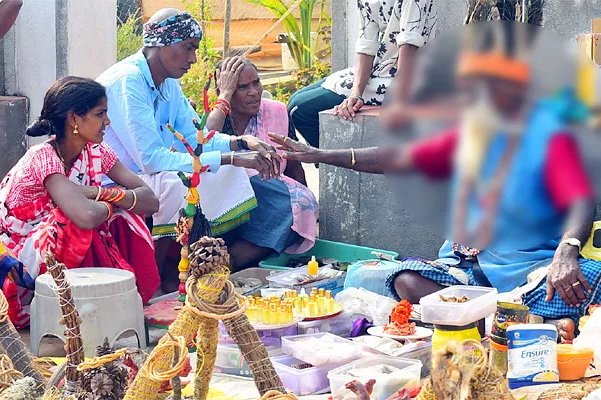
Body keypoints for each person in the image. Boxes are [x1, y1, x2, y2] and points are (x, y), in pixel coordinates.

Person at [268, 22, 601, 341]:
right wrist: (319, 154)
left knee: (588, 278)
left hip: (527, 268)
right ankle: (512, 325)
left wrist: (567, 252)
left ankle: (491, 321)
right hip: (463, 271)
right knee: (400, 279)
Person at [96, 8, 283, 291]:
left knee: (226, 172)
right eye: (187, 48)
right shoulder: (129, 80)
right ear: (161, 43)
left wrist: (242, 143)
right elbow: (151, 160)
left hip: (146, 174)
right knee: (175, 182)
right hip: (110, 179)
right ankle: (155, 278)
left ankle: (190, 269)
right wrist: (231, 156)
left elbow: (197, 138)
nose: (193, 59)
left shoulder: (169, 84)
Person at [0, 76, 161, 328]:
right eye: (100, 114)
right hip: (16, 260)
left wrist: (102, 194)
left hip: (52, 251)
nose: (107, 121)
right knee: (71, 223)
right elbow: (83, 216)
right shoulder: (44, 156)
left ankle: (116, 298)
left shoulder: (96, 150)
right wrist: (116, 199)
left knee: (127, 215)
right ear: (74, 119)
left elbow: (150, 201)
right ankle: (82, 309)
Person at [205, 57, 318, 263]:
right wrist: (225, 95)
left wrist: (307, 200)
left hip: (271, 203)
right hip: (230, 204)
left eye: (256, 82)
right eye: (242, 87)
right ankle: (223, 262)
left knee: (299, 208)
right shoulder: (217, 118)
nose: (253, 92)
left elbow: (293, 165)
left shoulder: (276, 112)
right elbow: (206, 141)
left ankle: (228, 262)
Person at [286, 0, 438, 148]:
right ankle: (327, 161)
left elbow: (409, 44)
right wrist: (356, 93)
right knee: (294, 101)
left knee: (299, 109)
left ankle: (334, 162)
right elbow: (366, 44)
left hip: (407, 78)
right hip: (378, 70)